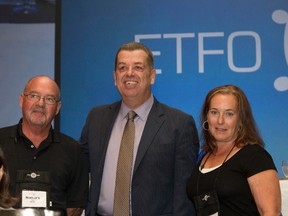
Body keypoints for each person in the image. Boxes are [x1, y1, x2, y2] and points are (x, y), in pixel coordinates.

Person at [80, 42, 199, 216]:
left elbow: (183, 196)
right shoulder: (96, 118)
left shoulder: (179, 124)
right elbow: (77, 169)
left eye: (138, 67)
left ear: (152, 76)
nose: (129, 73)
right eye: (122, 67)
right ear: (115, 77)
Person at [0, 76, 89, 216]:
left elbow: (75, 207)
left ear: (58, 107)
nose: (40, 104)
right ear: (22, 100)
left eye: (49, 99)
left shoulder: (74, 151)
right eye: (34, 96)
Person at [187, 84, 281, 216]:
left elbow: (271, 212)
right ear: (206, 116)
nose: (220, 121)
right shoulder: (203, 156)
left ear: (241, 119)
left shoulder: (255, 156)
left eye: (229, 114)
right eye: (214, 112)